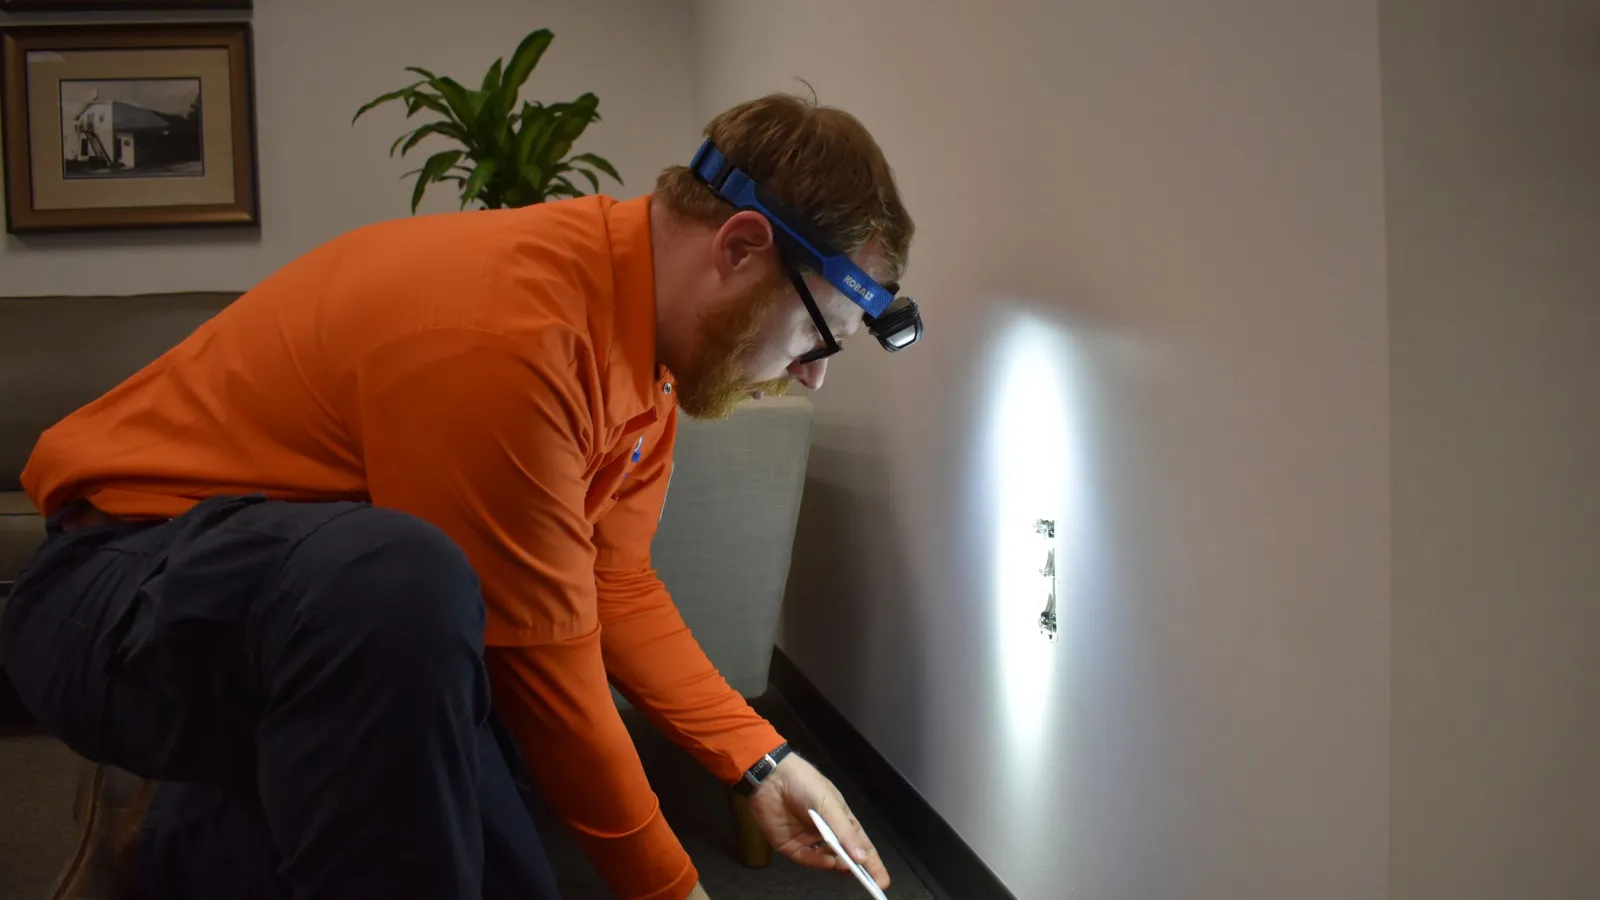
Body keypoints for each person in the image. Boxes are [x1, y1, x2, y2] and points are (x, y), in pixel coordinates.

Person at [0, 91, 919, 900]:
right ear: (743, 245)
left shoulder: (648, 364)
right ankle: (177, 829)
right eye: (818, 335)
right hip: (113, 593)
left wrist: (761, 758)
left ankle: (193, 833)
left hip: (299, 622)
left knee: (484, 806)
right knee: (417, 586)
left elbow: (617, 589)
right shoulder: (515, 333)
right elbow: (550, 670)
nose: (811, 377)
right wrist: (672, 891)